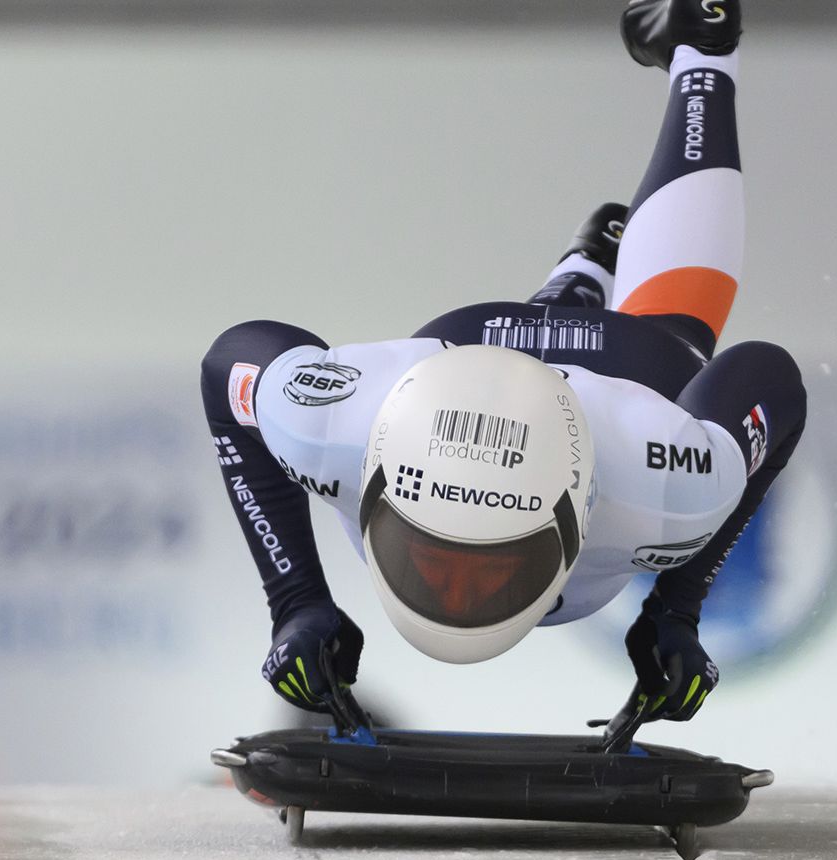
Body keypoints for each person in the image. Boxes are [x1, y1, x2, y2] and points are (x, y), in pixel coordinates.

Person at [199, 0, 803, 726]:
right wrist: (673, 611)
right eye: (431, 562)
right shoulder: (345, 423)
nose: (456, 597)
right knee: (672, 329)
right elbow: (771, 379)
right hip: (472, 356)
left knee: (674, 331)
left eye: (487, 573)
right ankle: (611, 225)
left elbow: (230, 363)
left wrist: (680, 603)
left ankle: (690, 76)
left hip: (543, 362)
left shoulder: (663, 472)